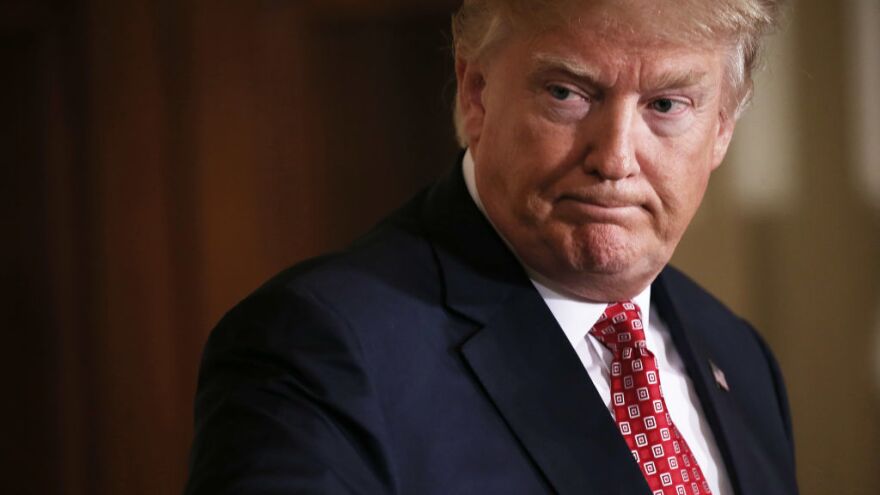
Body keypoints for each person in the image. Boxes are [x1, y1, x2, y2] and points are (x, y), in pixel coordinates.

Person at [185, 1, 798, 494]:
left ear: (721, 128)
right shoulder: (319, 349)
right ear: (476, 91)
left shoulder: (739, 356)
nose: (614, 159)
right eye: (568, 93)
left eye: (666, 105)